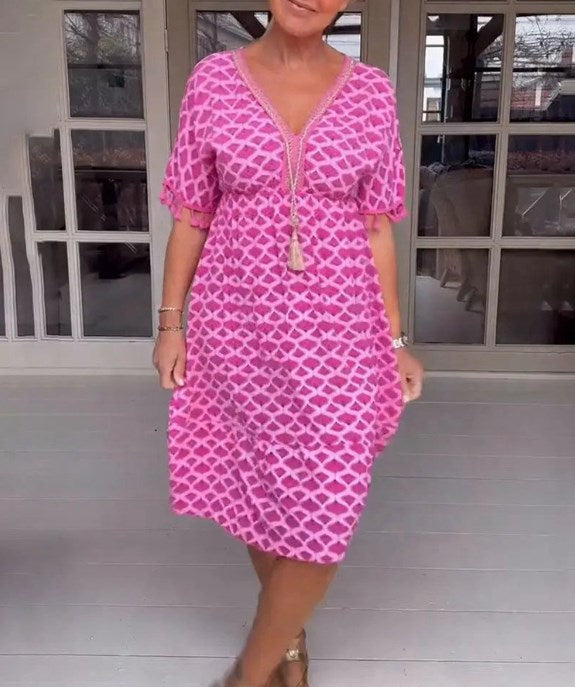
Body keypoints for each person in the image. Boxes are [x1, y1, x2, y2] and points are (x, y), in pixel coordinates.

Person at [153, 1, 424, 685]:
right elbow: (192, 213)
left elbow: (376, 227)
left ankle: (247, 675)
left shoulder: (371, 93)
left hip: (341, 331)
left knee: (329, 499)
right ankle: (290, 644)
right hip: (236, 327)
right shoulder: (213, 81)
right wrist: (170, 323)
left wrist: (394, 338)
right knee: (259, 479)